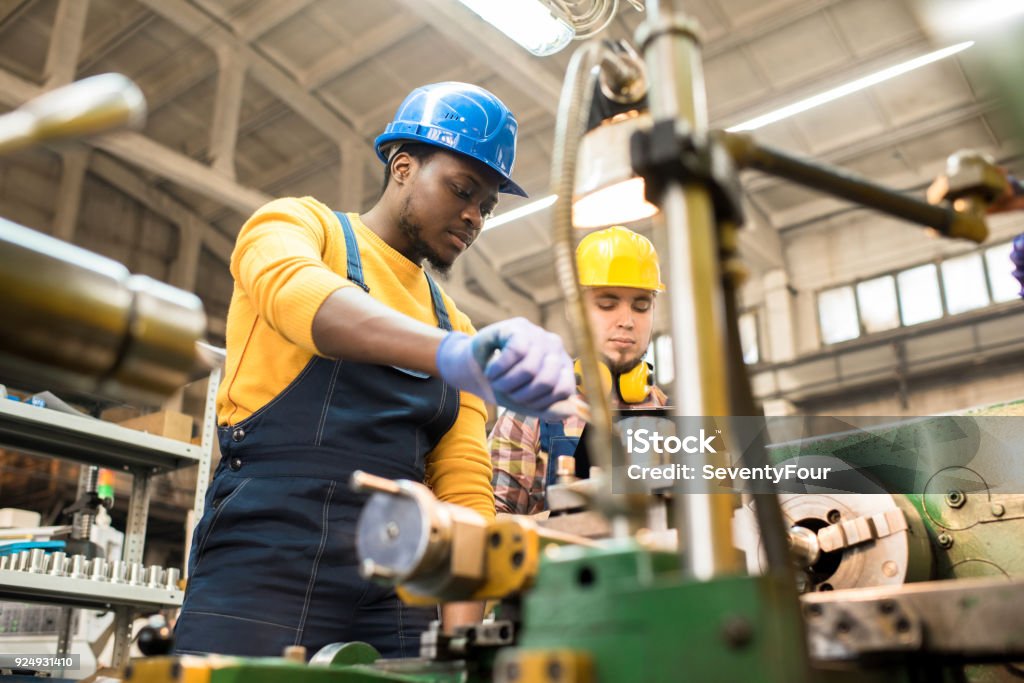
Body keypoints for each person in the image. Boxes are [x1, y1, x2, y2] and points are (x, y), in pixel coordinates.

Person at [173, 82, 575, 659]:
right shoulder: (301, 227)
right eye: (463, 190)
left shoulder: (453, 321)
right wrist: (451, 356)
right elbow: (299, 295)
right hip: (267, 551)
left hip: (402, 574)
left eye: (486, 206)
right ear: (404, 167)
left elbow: (463, 488)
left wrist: (462, 640)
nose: (474, 216)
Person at [490, 226, 669, 515]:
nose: (627, 320)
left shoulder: (672, 417)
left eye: (641, 306)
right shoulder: (527, 415)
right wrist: (568, 521)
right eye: (608, 304)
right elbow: (492, 527)